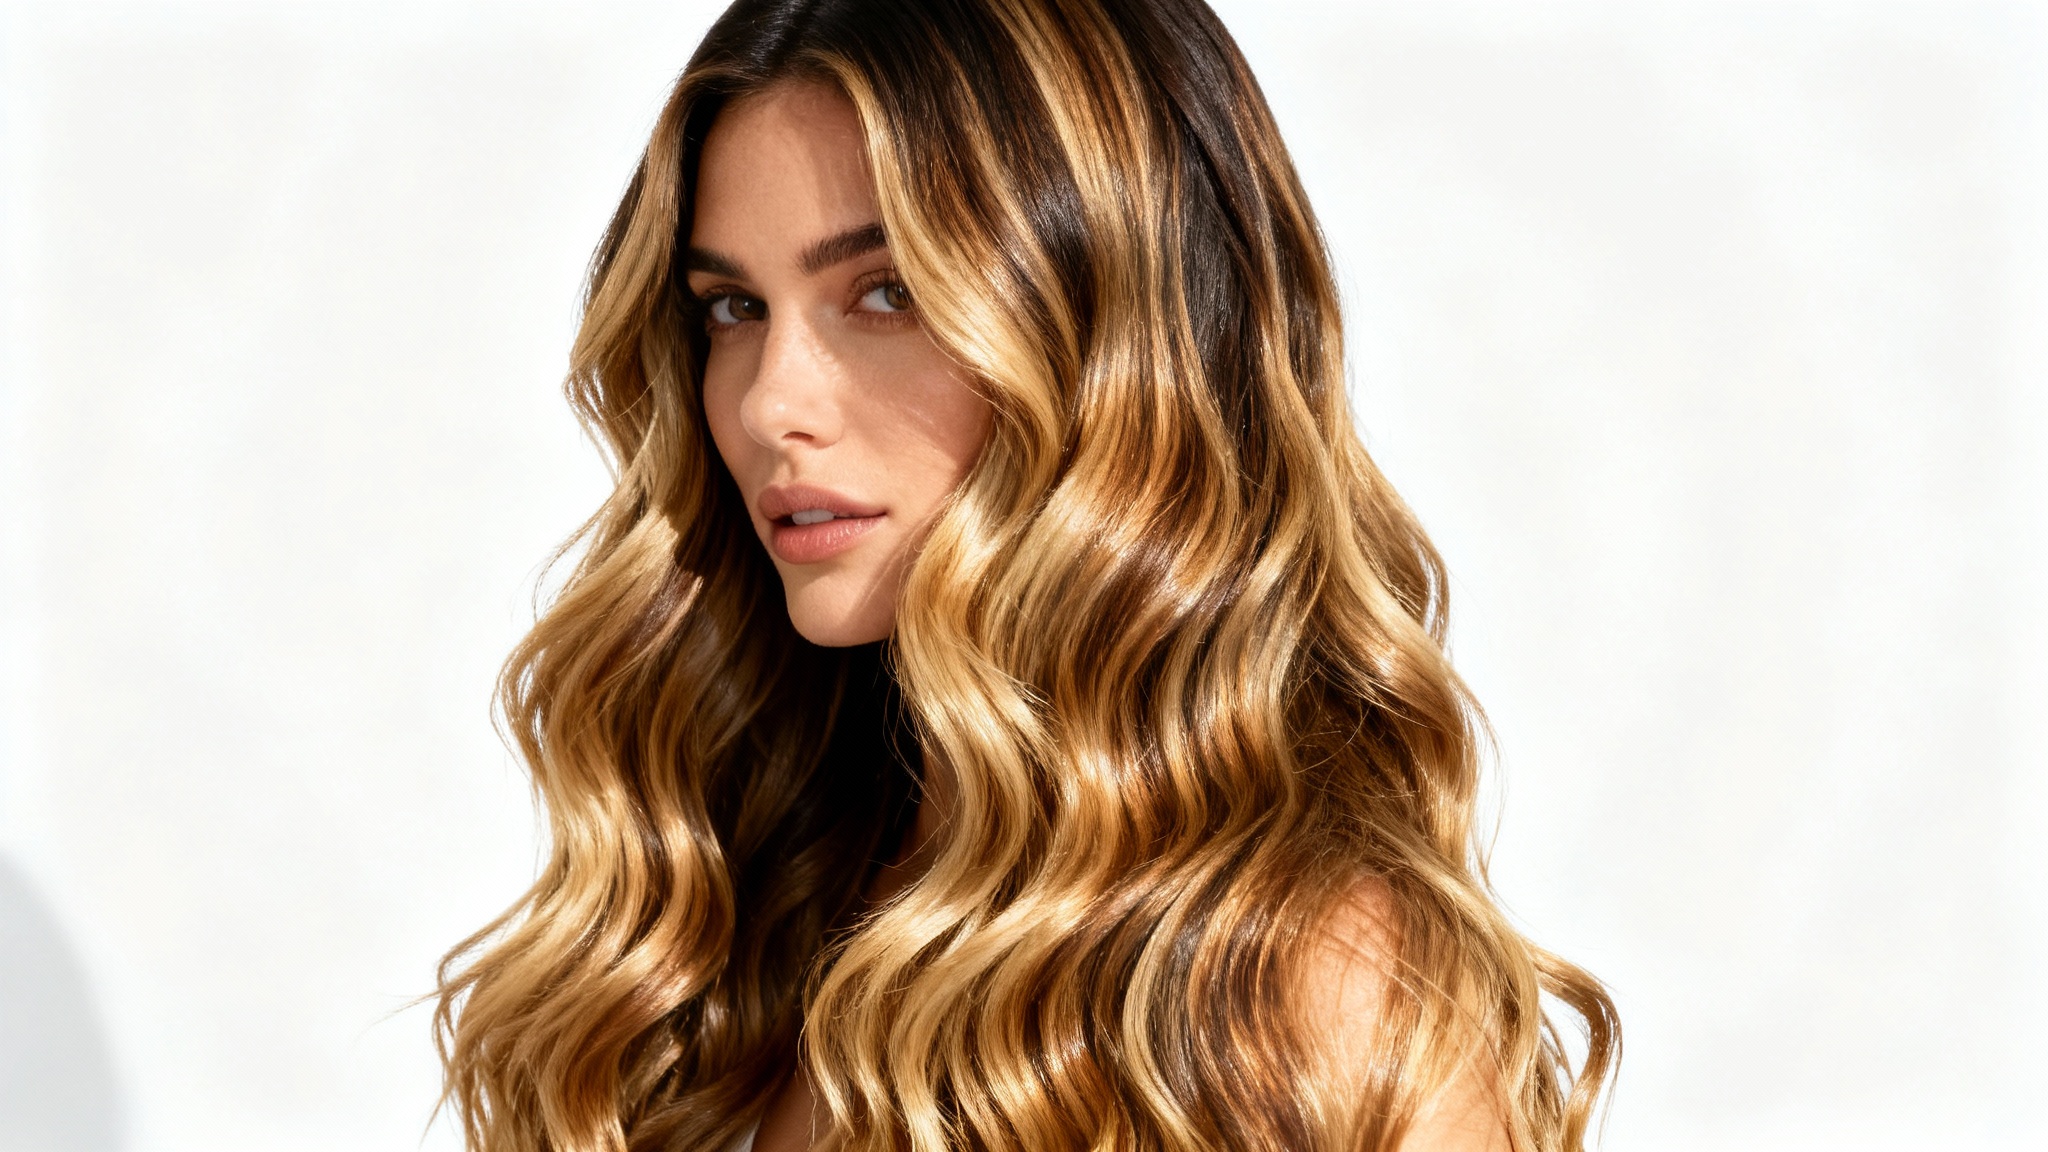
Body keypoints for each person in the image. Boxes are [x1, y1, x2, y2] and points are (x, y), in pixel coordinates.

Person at [435, 0, 1619, 1149]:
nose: (767, 402)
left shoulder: (1320, 995)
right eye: (734, 306)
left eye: (887, 292)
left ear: (1116, 340)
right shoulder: (720, 931)